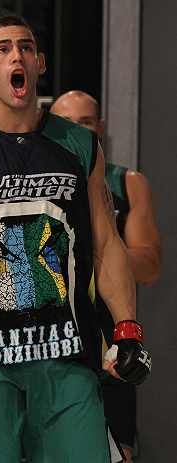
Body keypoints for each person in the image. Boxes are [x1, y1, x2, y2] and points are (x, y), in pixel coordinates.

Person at [0, 15, 152, 463]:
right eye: (2, 48)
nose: (15, 55)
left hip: (67, 359)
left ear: (39, 63)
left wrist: (127, 329)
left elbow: (106, 243)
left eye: (25, 47)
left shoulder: (81, 145)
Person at [51, 90, 162, 462]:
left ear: (99, 128)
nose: (75, 130)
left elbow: (149, 267)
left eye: (84, 122)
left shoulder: (126, 182)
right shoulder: (34, 180)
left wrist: (100, 246)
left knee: (118, 454)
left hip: (110, 346)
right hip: (50, 345)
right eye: (65, 121)